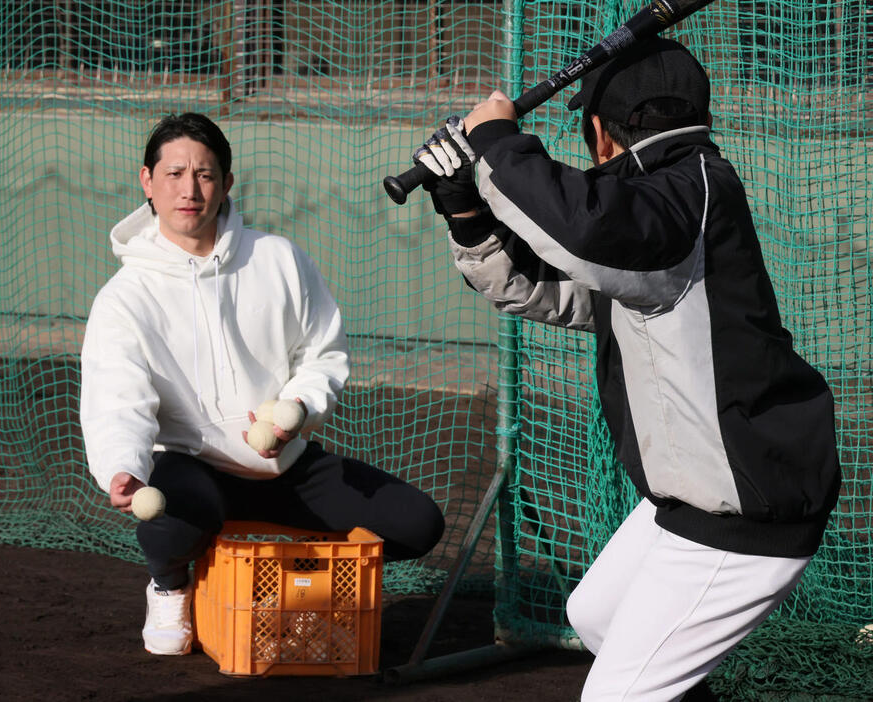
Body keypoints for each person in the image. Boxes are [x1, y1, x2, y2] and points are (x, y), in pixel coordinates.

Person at [414, 38, 841, 701]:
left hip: (746, 510)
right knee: (598, 617)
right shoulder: (668, 211)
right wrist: (465, 207)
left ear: (602, 136)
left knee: (616, 695)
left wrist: (498, 140)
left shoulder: (684, 198)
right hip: (701, 494)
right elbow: (552, 284)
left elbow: (583, 230)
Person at [80, 112, 445, 656]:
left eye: (204, 175)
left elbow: (324, 352)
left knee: (418, 525)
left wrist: (295, 406)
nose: (189, 189)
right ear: (147, 182)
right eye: (174, 174)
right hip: (190, 462)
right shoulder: (124, 297)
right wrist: (122, 465)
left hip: (282, 460)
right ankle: (169, 584)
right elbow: (118, 398)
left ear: (226, 183)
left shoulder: (278, 257)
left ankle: (294, 586)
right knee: (170, 519)